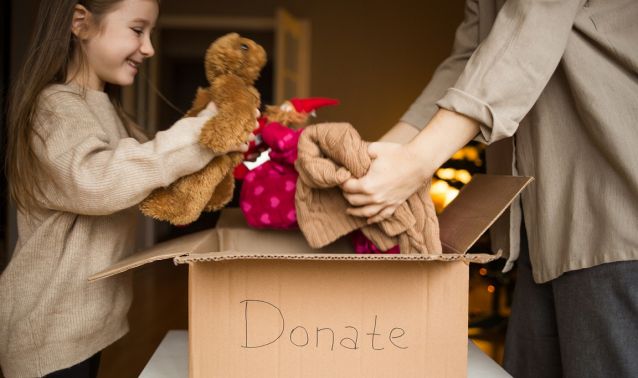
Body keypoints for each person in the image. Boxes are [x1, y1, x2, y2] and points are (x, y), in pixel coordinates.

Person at [341, 0, 638, 377]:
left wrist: (419, 161)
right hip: (540, 228)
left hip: (615, 214)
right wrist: (376, 158)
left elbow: (529, 30)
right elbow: (469, 59)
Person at [0, 1, 253, 377]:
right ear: (80, 23)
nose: (149, 47)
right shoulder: (53, 110)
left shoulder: (111, 112)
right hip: (47, 333)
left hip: (86, 328)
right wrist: (201, 137)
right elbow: (99, 182)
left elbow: (156, 177)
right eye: (137, 30)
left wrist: (224, 143)